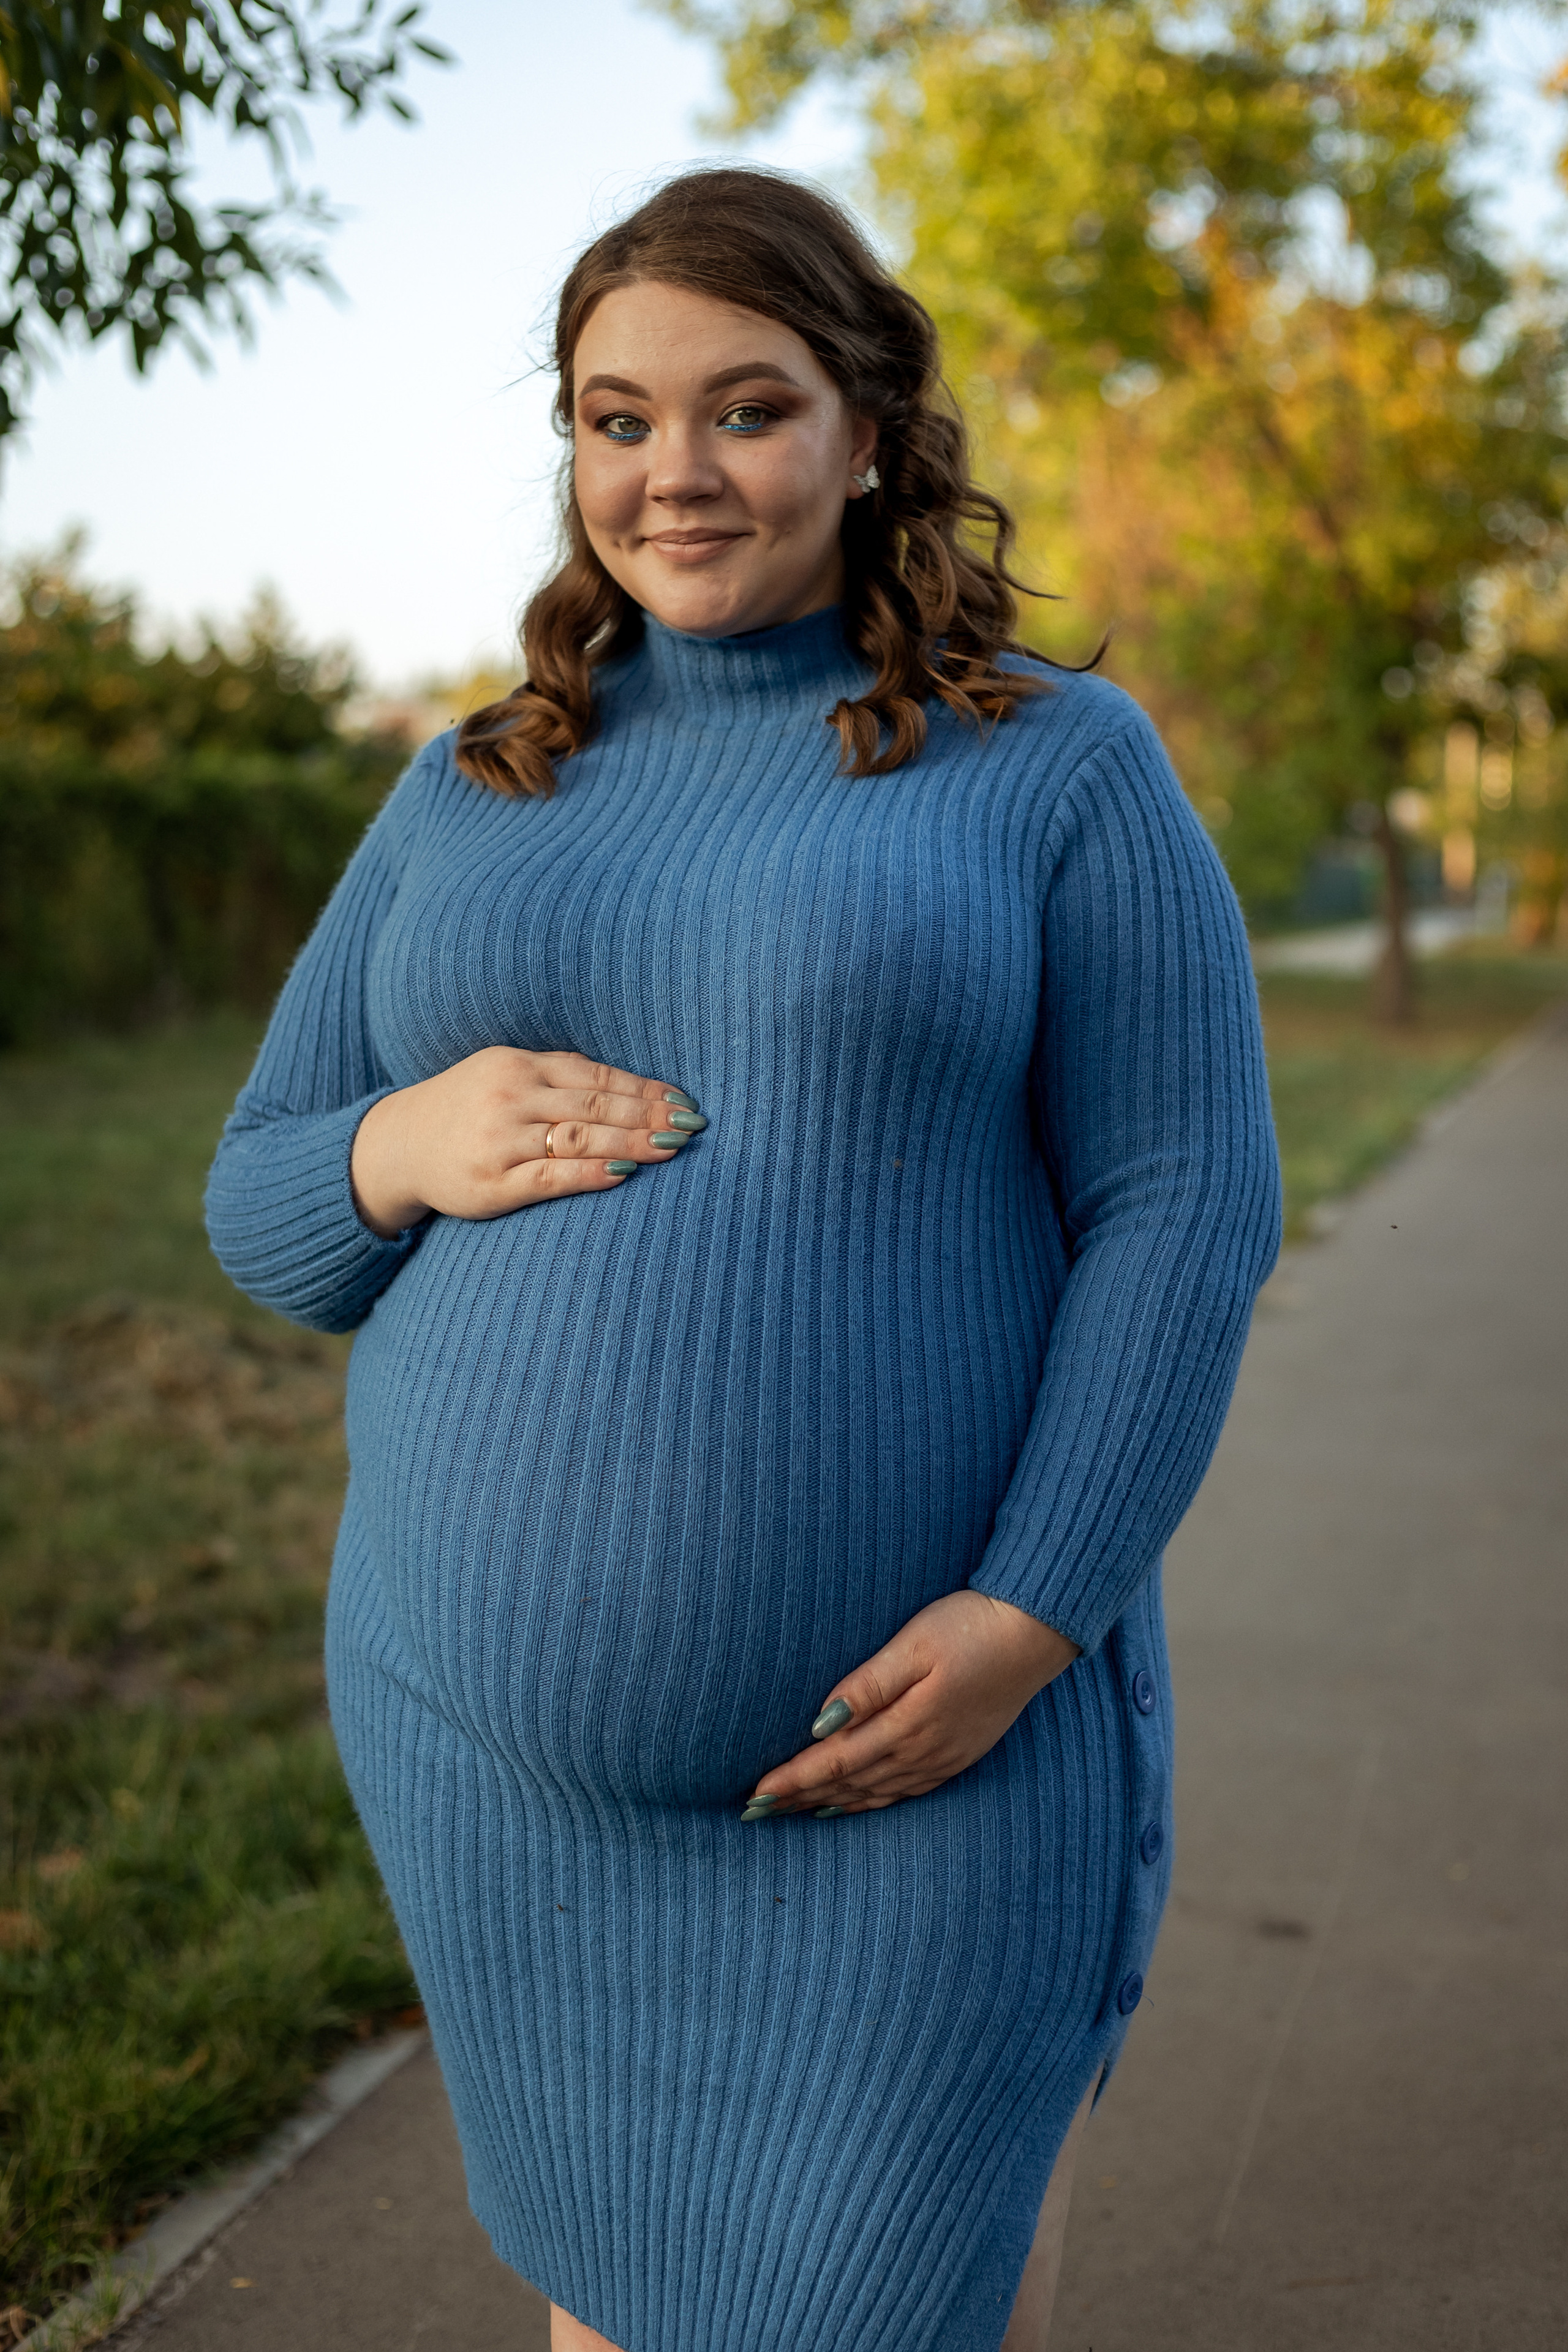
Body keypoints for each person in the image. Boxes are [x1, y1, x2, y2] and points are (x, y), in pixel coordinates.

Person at [206, 165, 1280, 2352]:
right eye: (616, 419)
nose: (672, 474)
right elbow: (263, 1206)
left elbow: (1184, 1207)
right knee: (606, 2297)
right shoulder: (477, 783)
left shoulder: (1052, 767)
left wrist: (1031, 1614)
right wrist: (404, 1142)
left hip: (928, 1755)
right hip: (497, 1775)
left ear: (871, 425)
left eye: (744, 408)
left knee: (899, 2286)